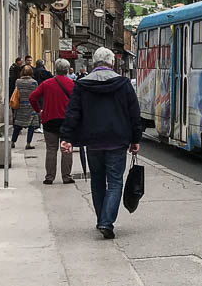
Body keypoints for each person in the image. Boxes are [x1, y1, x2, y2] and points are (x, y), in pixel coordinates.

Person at [59, 47, 141, 239]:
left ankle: (101, 220)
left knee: (97, 180)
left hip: (93, 141)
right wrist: (135, 139)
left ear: (94, 63)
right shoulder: (123, 84)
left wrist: (66, 137)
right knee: (114, 182)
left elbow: (72, 112)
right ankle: (106, 221)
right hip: (117, 140)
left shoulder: (82, 84)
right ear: (112, 63)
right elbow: (134, 113)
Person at [29, 59, 76, 185]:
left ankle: (49, 177)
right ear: (67, 70)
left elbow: (32, 97)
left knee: (51, 149)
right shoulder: (72, 84)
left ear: (55, 69)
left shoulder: (46, 83)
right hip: (67, 122)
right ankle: (66, 177)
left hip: (49, 120)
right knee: (66, 149)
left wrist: (38, 110)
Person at [11, 66, 40, 149]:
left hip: (20, 106)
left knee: (18, 125)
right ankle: (28, 143)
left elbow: (16, 92)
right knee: (31, 126)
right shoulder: (34, 82)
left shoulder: (18, 81)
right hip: (31, 106)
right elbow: (36, 95)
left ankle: (13, 141)